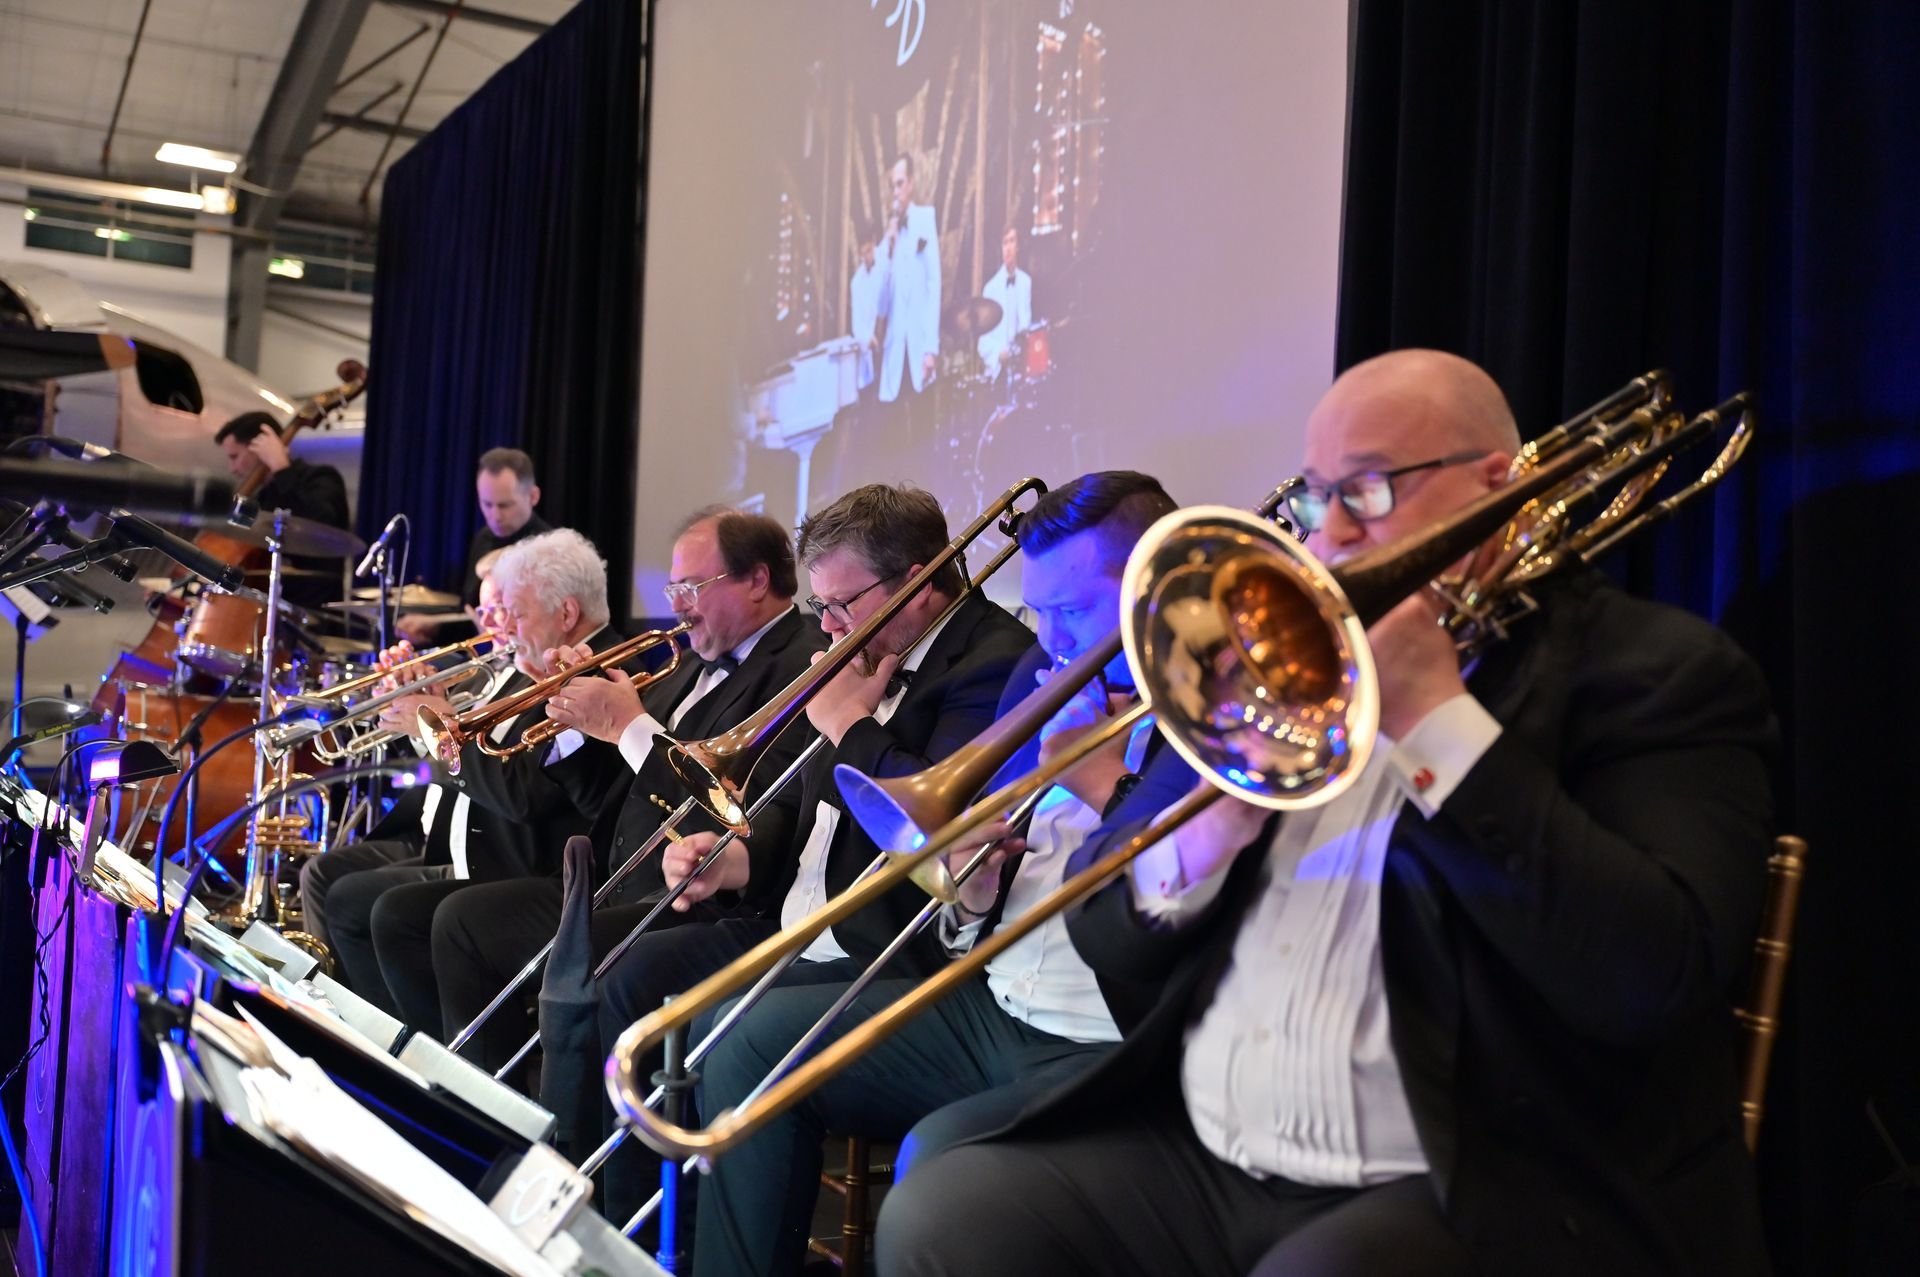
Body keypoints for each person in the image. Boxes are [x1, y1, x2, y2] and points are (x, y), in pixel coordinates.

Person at [877, 349, 1779, 1277]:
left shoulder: (1654, 672)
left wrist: (1434, 717)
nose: (1331, 535)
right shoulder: (1277, 670)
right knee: (945, 1218)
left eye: (1373, 491)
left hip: (1484, 1172)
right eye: (1316, 500)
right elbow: (1111, 931)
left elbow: (1654, 971)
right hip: (1208, 1146)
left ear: (1501, 489)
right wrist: (1214, 821)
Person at [690, 472, 1178, 1277]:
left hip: (1107, 1037)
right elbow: (977, 868)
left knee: (937, 1173)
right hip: (994, 999)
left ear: (1157, 589)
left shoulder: (1213, 709)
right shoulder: (1045, 670)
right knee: (749, 1047)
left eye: (1076, 611)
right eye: (1039, 611)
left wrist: (1103, 788)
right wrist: (969, 892)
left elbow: (1191, 902)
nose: (1053, 642)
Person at [591, 483, 1035, 1222]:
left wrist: (848, 724)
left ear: (919, 582)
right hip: (794, 917)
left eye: (841, 604)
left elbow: (942, 829)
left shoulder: (992, 659)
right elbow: (801, 807)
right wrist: (736, 859)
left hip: (884, 940)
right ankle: (625, 1232)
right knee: (622, 976)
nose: (826, 625)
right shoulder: (857, 644)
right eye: (819, 608)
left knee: (719, 1032)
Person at [425, 506, 828, 1071]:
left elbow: (740, 810)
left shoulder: (803, 663)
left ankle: (564, 1136)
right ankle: (485, 1104)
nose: (675, 604)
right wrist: (573, 716)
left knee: (548, 948)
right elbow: (603, 797)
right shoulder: (690, 660)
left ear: (757, 580)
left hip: (690, 896)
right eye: (672, 587)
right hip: (613, 875)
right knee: (461, 921)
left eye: (691, 586)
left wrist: (627, 726)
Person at [327, 529, 627, 1030]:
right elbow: (480, 767)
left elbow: (522, 793)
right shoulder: (535, 663)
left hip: (541, 869)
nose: (504, 627)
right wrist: (428, 713)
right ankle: (409, 1049)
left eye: (516, 613)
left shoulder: (602, 673)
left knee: (396, 914)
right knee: (355, 895)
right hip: (488, 854)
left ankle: (444, 1064)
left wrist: (440, 730)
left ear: (568, 615)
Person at [296, 550, 513, 957]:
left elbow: (480, 767)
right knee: (319, 873)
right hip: (430, 828)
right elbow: (430, 759)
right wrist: (405, 709)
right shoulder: (478, 669)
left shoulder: (513, 677)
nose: (492, 623)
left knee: (359, 899)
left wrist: (431, 720)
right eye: (483, 610)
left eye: (502, 608)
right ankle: (326, 990)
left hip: (476, 843)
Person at [397, 447, 551, 645]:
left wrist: (493, 634)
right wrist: (434, 629)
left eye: (505, 505)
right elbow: (468, 615)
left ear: (533, 496)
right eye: (487, 504)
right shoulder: (483, 539)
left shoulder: (548, 549)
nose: (495, 516)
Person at [214, 411, 351, 607]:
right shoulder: (263, 497)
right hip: (265, 612)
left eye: (234, 456)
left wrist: (280, 467)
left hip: (314, 614)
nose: (232, 468)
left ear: (259, 447)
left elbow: (319, 525)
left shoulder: (321, 477)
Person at [876, 154, 943, 429]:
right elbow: (880, 306)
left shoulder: (925, 219)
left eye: (900, 184)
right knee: (891, 440)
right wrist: (888, 250)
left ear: (911, 184)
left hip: (918, 348)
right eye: (892, 185)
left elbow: (933, 283)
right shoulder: (888, 237)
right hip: (894, 351)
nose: (896, 192)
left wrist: (931, 349)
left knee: (922, 432)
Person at [976, 224, 1033, 376]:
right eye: (1004, 242)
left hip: (1020, 366)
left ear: (1018, 247)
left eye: (1011, 241)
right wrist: (998, 354)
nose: (1007, 247)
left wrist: (1018, 351)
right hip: (997, 369)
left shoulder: (1026, 282)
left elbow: (1025, 325)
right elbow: (983, 341)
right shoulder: (990, 288)